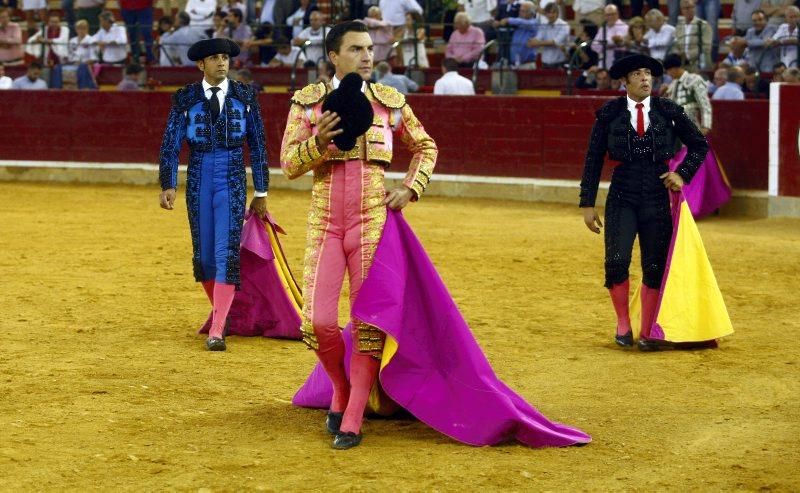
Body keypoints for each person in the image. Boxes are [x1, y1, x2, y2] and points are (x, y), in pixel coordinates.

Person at [282, 20, 590, 451]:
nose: (368, 56)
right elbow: (289, 164)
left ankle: (353, 414)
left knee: (369, 321)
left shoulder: (389, 103)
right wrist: (322, 144)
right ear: (333, 56)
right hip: (325, 222)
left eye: (370, 48)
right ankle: (339, 387)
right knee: (317, 322)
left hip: (372, 219)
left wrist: (410, 187)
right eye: (356, 49)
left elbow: (426, 146)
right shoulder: (310, 104)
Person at [579, 54, 708, 350]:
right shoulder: (610, 113)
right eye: (637, 74)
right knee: (616, 261)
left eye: (648, 73)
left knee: (654, 265)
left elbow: (700, 145)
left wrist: (682, 174)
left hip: (656, 194)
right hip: (622, 194)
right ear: (624, 81)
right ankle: (624, 323)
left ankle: (649, 330)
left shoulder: (669, 110)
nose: (645, 79)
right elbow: (593, 159)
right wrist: (587, 203)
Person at [158, 38, 269, 351]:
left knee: (225, 253)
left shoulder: (245, 96)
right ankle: (224, 313)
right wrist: (168, 183)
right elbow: (170, 143)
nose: (223, 62)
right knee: (204, 255)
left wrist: (261, 190)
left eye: (226, 57)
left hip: (232, 177)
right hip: (197, 178)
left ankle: (218, 328)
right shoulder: (185, 98)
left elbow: (258, 146)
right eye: (215, 58)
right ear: (200, 65)